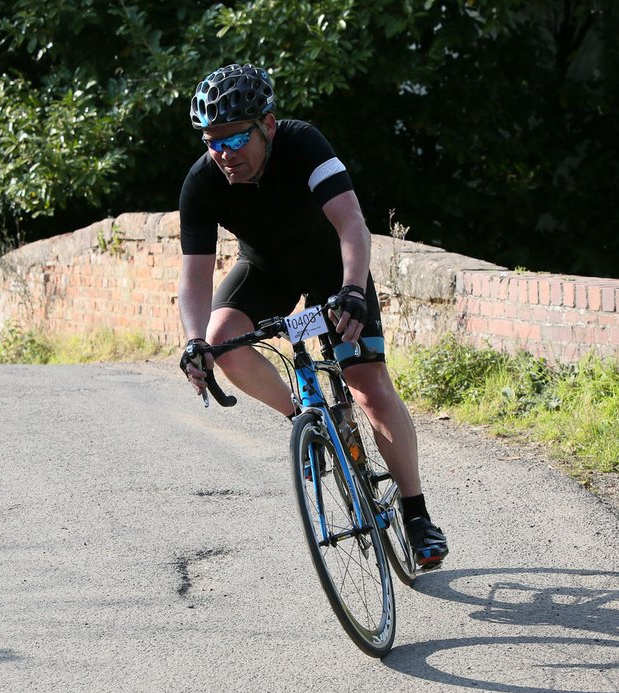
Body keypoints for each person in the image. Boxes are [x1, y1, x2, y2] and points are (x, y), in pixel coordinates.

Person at [176, 63, 449, 569]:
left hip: (334, 272)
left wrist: (351, 290)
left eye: (235, 138)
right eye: (211, 141)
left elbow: (351, 225)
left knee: (368, 385)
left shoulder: (304, 145)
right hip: (267, 272)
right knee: (221, 341)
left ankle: (416, 515)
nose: (223, 154)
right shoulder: (202, 181)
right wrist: (193, 342)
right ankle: (308, 422)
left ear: (269, 125)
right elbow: (193, 277)